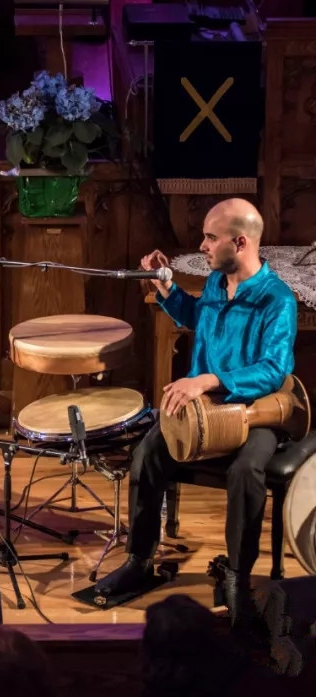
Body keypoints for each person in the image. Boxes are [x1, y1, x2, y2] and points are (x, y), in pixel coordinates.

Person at [95, 199, 297, 624]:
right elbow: (195, 315)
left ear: (240, 243)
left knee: (246, 471)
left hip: (253, 412)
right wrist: (165, 286)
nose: (202, 245)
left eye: (210, 237)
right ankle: (138, 561)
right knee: (147, 453)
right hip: (203, 411)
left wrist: (207, 380)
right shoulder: (215, 283)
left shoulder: (277, 299)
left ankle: (237, 579)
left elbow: (273, 369)